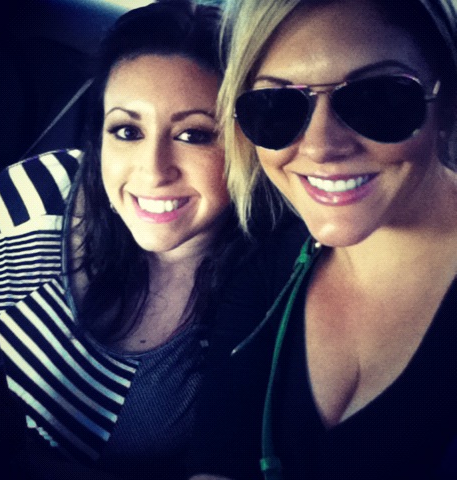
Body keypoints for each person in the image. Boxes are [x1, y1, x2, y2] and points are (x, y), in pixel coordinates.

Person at [187, 0, 457, 478]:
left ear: (448, 103)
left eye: (379, 99)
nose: (320, 146)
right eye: (277, 106)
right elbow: (218, 460)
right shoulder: (267, 268)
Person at [0, 1, 247, 479]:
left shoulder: (256, 308)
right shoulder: (24, 200)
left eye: (194, 135)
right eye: (127, 130)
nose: (153, 171)